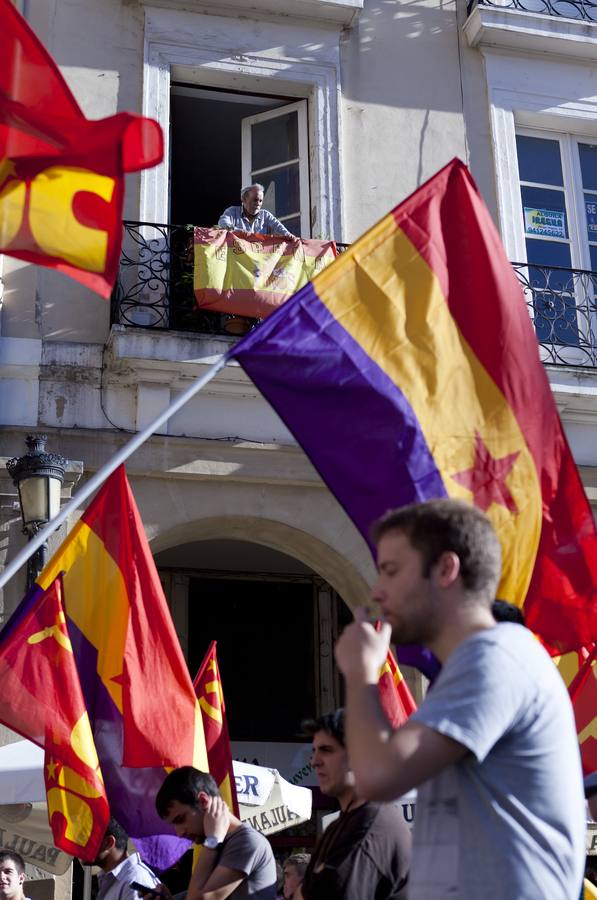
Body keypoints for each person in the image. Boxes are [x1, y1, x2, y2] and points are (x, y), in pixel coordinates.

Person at [335, 498, 586, 900]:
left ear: (446, 569)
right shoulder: (477, 664)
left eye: (392, 571)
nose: (377, 591)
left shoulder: (495, 656)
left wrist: (362, 673)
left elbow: (378, 776)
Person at [297, 709, 410, 900]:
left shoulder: (370, 828)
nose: (314, 762)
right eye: (314, 751)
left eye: (326, 750)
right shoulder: (338, 825)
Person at [155, 766, 277, 900]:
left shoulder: (246, 842)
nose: (179, 833)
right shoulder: (218, 844)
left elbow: (199, 899)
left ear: (203, 801)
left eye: (181, 819)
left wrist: (212, 841)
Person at [86, 817, 160, 900]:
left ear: (109, 843)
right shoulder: (114, 879)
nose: (78, 845)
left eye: (86, 838)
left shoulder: (135, 881)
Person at [218, 185, 296, 238]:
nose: (258, 203)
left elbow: (280, 228)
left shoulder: (265, 215)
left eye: (260, 201)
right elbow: (222, 223)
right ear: (244, 199)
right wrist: (238, 231)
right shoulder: (232, 211)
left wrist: (290, 237)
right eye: (255, 200)